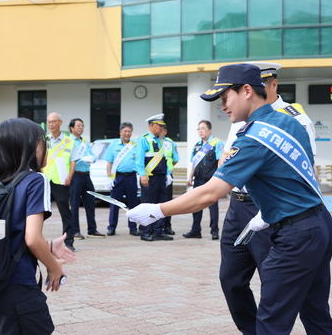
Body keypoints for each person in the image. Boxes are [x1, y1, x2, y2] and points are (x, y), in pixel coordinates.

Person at [127, 63, 332, 334]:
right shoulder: (288, 122)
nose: (222, 106)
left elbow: (210, 193)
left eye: (225, 98)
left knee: (272, 322)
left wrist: (158, 210)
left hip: (294, 236)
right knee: (316, 313)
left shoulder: (253, 137)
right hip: (318, 223)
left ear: (247, 91)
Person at [218, 62, 318, 334]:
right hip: (237, 208)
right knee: (231, 279)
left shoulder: (293, 118)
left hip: (268, 211)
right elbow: (227, 159)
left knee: (277, 283)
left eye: (266, 81)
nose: (225, 105)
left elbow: (304, 169)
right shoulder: (241, 117)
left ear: (270, 84)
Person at [0, 117, 76, 335]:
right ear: (27, 147)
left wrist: (47, 245)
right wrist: (53, 266)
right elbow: (31, 238)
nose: (45, 146)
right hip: (16, 284)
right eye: (41, 141)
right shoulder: (35, 180)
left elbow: (1, 237)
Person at [135, 114, 173, 242]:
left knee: (160, 205)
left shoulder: (160, 140)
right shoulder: (143, 140)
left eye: (163, 126)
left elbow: (164, 159)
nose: (162, 128)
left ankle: (158, 231)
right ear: (151, 125)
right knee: (148, 204)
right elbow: (139, 159)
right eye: (159, 126)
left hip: (161, 177)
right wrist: (142, 175)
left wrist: (167, 174)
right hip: (149, 178)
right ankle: (146, 231)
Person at [183, 120, 224, 240]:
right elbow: (194, 163)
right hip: (198, 180)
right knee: (196, 205)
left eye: (203, 128)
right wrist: (190, 177)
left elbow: (220, 162)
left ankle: (214, 231)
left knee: (213, 206)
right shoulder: (197, 145)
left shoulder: (217, 143)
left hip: (211, 180)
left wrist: (218, 178)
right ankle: (195, 230)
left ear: (210, 130)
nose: (200, 131)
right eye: (199, 129)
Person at [42, 112, 76, 252]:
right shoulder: (44, 139)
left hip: (61, 180)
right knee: (39, 211)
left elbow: (73, 161)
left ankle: (68, 241)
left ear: (60, 123)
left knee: (65, 211)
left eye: (54, 121)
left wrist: (70, 176)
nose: (51, 124)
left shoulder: (69, 141)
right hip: (45, 179)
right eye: (49, 122)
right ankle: (36, 240)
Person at [68, 118, 105, 239]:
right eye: (78, 126)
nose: (80, 128)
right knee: (74, 204)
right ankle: (74, 231)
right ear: (72, 128)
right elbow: (67, 158)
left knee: (90, 202)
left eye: (82, 126)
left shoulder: (85, 142)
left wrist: (92, 158)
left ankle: (92, 229)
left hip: (86, 175)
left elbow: (92, 155)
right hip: (75, 175)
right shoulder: (68, 142)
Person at [104, 122, 139, 236]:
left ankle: (133, 228)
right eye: (125, 131)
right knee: (114, 203)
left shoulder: (135, 145)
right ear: (120, 132)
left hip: (131, 177)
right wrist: (109, 178)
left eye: (129, 131)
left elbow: (139, 162)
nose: (127, 133)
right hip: (118, 178)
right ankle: (112, 227)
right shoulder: (113, 145)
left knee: (132, 204)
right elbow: (109, 163)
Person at [160, 126, 179, 236]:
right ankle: (157, 226)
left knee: (168, 201)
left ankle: (167, 226)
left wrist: (169, 169)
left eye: (163, 130)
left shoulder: (170, 143)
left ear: (166, 131)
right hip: (156, 175)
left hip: (168, 176)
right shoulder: (152, 142)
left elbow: (175, 159)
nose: (161, 132)